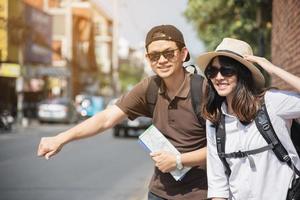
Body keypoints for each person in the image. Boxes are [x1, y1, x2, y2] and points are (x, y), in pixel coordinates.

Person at [37, 24, 208, 200]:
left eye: (169, 53)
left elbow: (222, 148)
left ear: (183, 53)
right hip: (159, 193)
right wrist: (60, 139)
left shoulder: (203, 91)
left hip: (200, 194)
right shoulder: (149, 87)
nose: (162, 60)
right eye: (154, 56)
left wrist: (179, 161)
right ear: (148, 59)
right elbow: (106, 118)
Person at [197, 37, 300, 200]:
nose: (218, 77)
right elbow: (218, 182)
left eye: (227, 70)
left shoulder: (271, 102)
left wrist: (272, 69)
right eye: (212, 71)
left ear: (242, 74)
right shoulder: (215, 120)